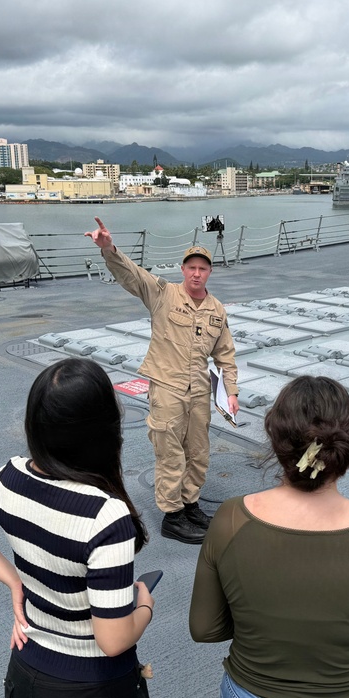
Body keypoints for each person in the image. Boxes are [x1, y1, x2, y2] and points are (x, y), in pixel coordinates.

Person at [189, 375, 349, 698]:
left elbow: (205, 629)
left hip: (251, 690)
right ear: (346, 443)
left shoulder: (231, 519)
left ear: (275, 437)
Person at [0, 358, 154, 698]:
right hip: (91, 684)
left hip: (26, 667)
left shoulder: (6, 478)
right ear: (104, 431)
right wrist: (144, 605)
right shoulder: (105, 516)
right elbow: (113, 642)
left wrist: (14, 581)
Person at [86, 217, 239, 545]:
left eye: (203, 268)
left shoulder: (216, 310)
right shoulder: (163, 294)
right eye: (191, 268)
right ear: (183, 270)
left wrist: (232, 393)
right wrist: (109, 249)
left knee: (198, 452)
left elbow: (225, 355)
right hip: (167, 387)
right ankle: (172, 516)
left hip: (199, 390)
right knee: (170, 452)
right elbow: (132, 275)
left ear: (209, 272)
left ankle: (190, 504)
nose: (196, 273)